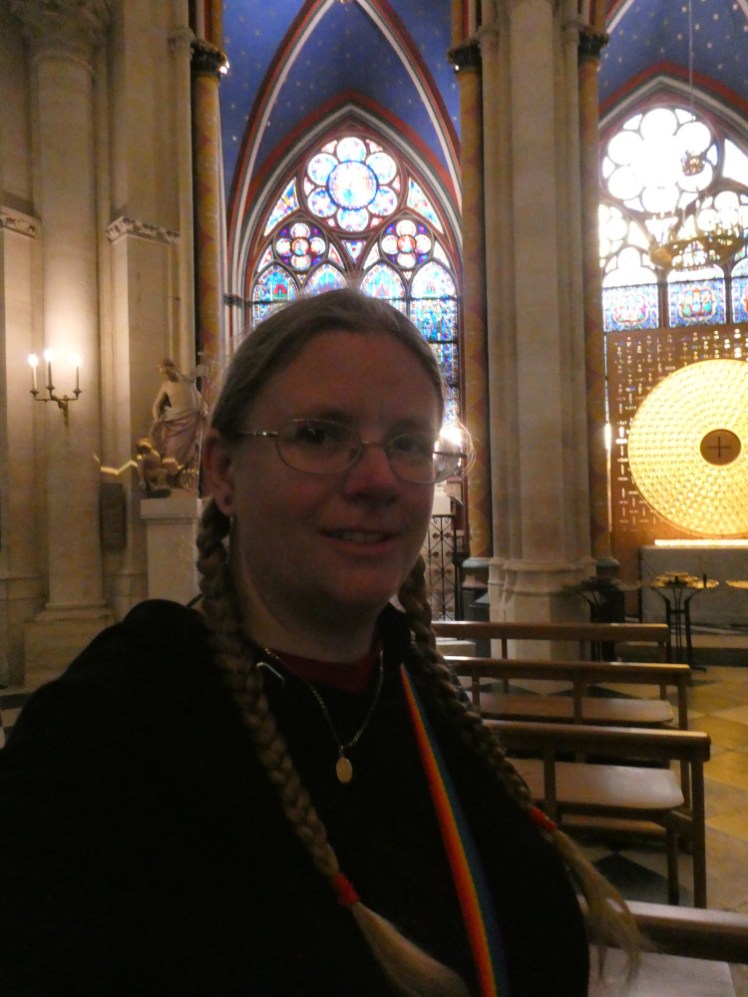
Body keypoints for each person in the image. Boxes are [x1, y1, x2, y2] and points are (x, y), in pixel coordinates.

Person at [0, 289, 638, 995]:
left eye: (408, 443)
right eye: (317, 435)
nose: (377, 480)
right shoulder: (103, 738)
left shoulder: (432, 704)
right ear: (222, 470)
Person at [150, 357, 206, 488]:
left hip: (191, 420)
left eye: (166, 370)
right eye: (163, 373)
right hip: (175, 423)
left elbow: (199, 400)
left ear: (172, 367)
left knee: (190, 452)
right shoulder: (166, 386)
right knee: (172, 450)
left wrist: (203, 409)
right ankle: (168, 482)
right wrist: (156, 418)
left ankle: (182, 481)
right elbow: (156, 405)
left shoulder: (188, 382)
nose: (166, 374)